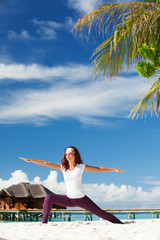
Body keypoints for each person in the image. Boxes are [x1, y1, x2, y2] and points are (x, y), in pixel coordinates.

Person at [20, 146, 125, 224]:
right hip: (68, 199)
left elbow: (98, 168)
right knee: (48, 197)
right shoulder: (63, 168)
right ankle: (44, 223)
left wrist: (114, 169)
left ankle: (120, 224)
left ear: (75, 155)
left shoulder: (81, 167)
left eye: (70, 154)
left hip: (82, 199)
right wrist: (30, 160)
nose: (68, 156)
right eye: (66, 154)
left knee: (102, 214)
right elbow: (45, 163)